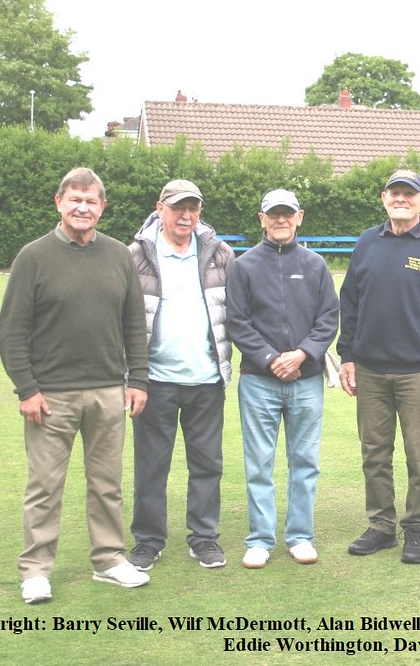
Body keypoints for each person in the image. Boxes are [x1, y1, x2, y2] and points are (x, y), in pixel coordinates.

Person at [0, 167, 150, 605]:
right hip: (50, 395)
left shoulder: (120, 255)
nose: (83, 208)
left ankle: (109, 559)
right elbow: (12, 330)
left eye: (91, 201)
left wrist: (137, 379)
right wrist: (26, 388)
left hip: (107, 391)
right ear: (59, 203)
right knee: (45, 485)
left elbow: (134, 325)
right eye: (75, 200)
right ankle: (35, 570)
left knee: (107, 483)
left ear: (102, 207)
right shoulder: (34, 256)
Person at [337, 170, 420, 564]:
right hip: (370, 370)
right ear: (384, 198)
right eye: (395, 193)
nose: (401, 199)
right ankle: (381, 526)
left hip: (419, 371)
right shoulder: (367, 242)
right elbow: (350, 302)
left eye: (410, 193)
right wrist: (347, 356)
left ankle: (416, 528)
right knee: (374, 453)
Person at [227, 189, 339, 569]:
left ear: (299, 217)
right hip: (259, 381)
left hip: (306, 381)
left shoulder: (315, 265)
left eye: (287, 214)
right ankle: (259, 539)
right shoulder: (243, 267)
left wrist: (303, 354)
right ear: (262, 219)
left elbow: (328, 319)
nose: (280, 220)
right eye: (273, 214)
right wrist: (272, 358)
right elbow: (237, 323)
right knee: (259, 463)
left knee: (305, 461)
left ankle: (300, 537)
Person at [126, 180, 235, 572]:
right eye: (178, 208)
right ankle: (148, 541)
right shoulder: (136, 254)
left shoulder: (219, 253)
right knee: (152, 466)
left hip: (206, 378)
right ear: (160, 208)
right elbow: (122, 316)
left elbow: (237, 310)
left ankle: (203, 538)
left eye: (193, 208)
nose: (186, 216)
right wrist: (132, 376)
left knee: (207, 464)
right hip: (154, 380)